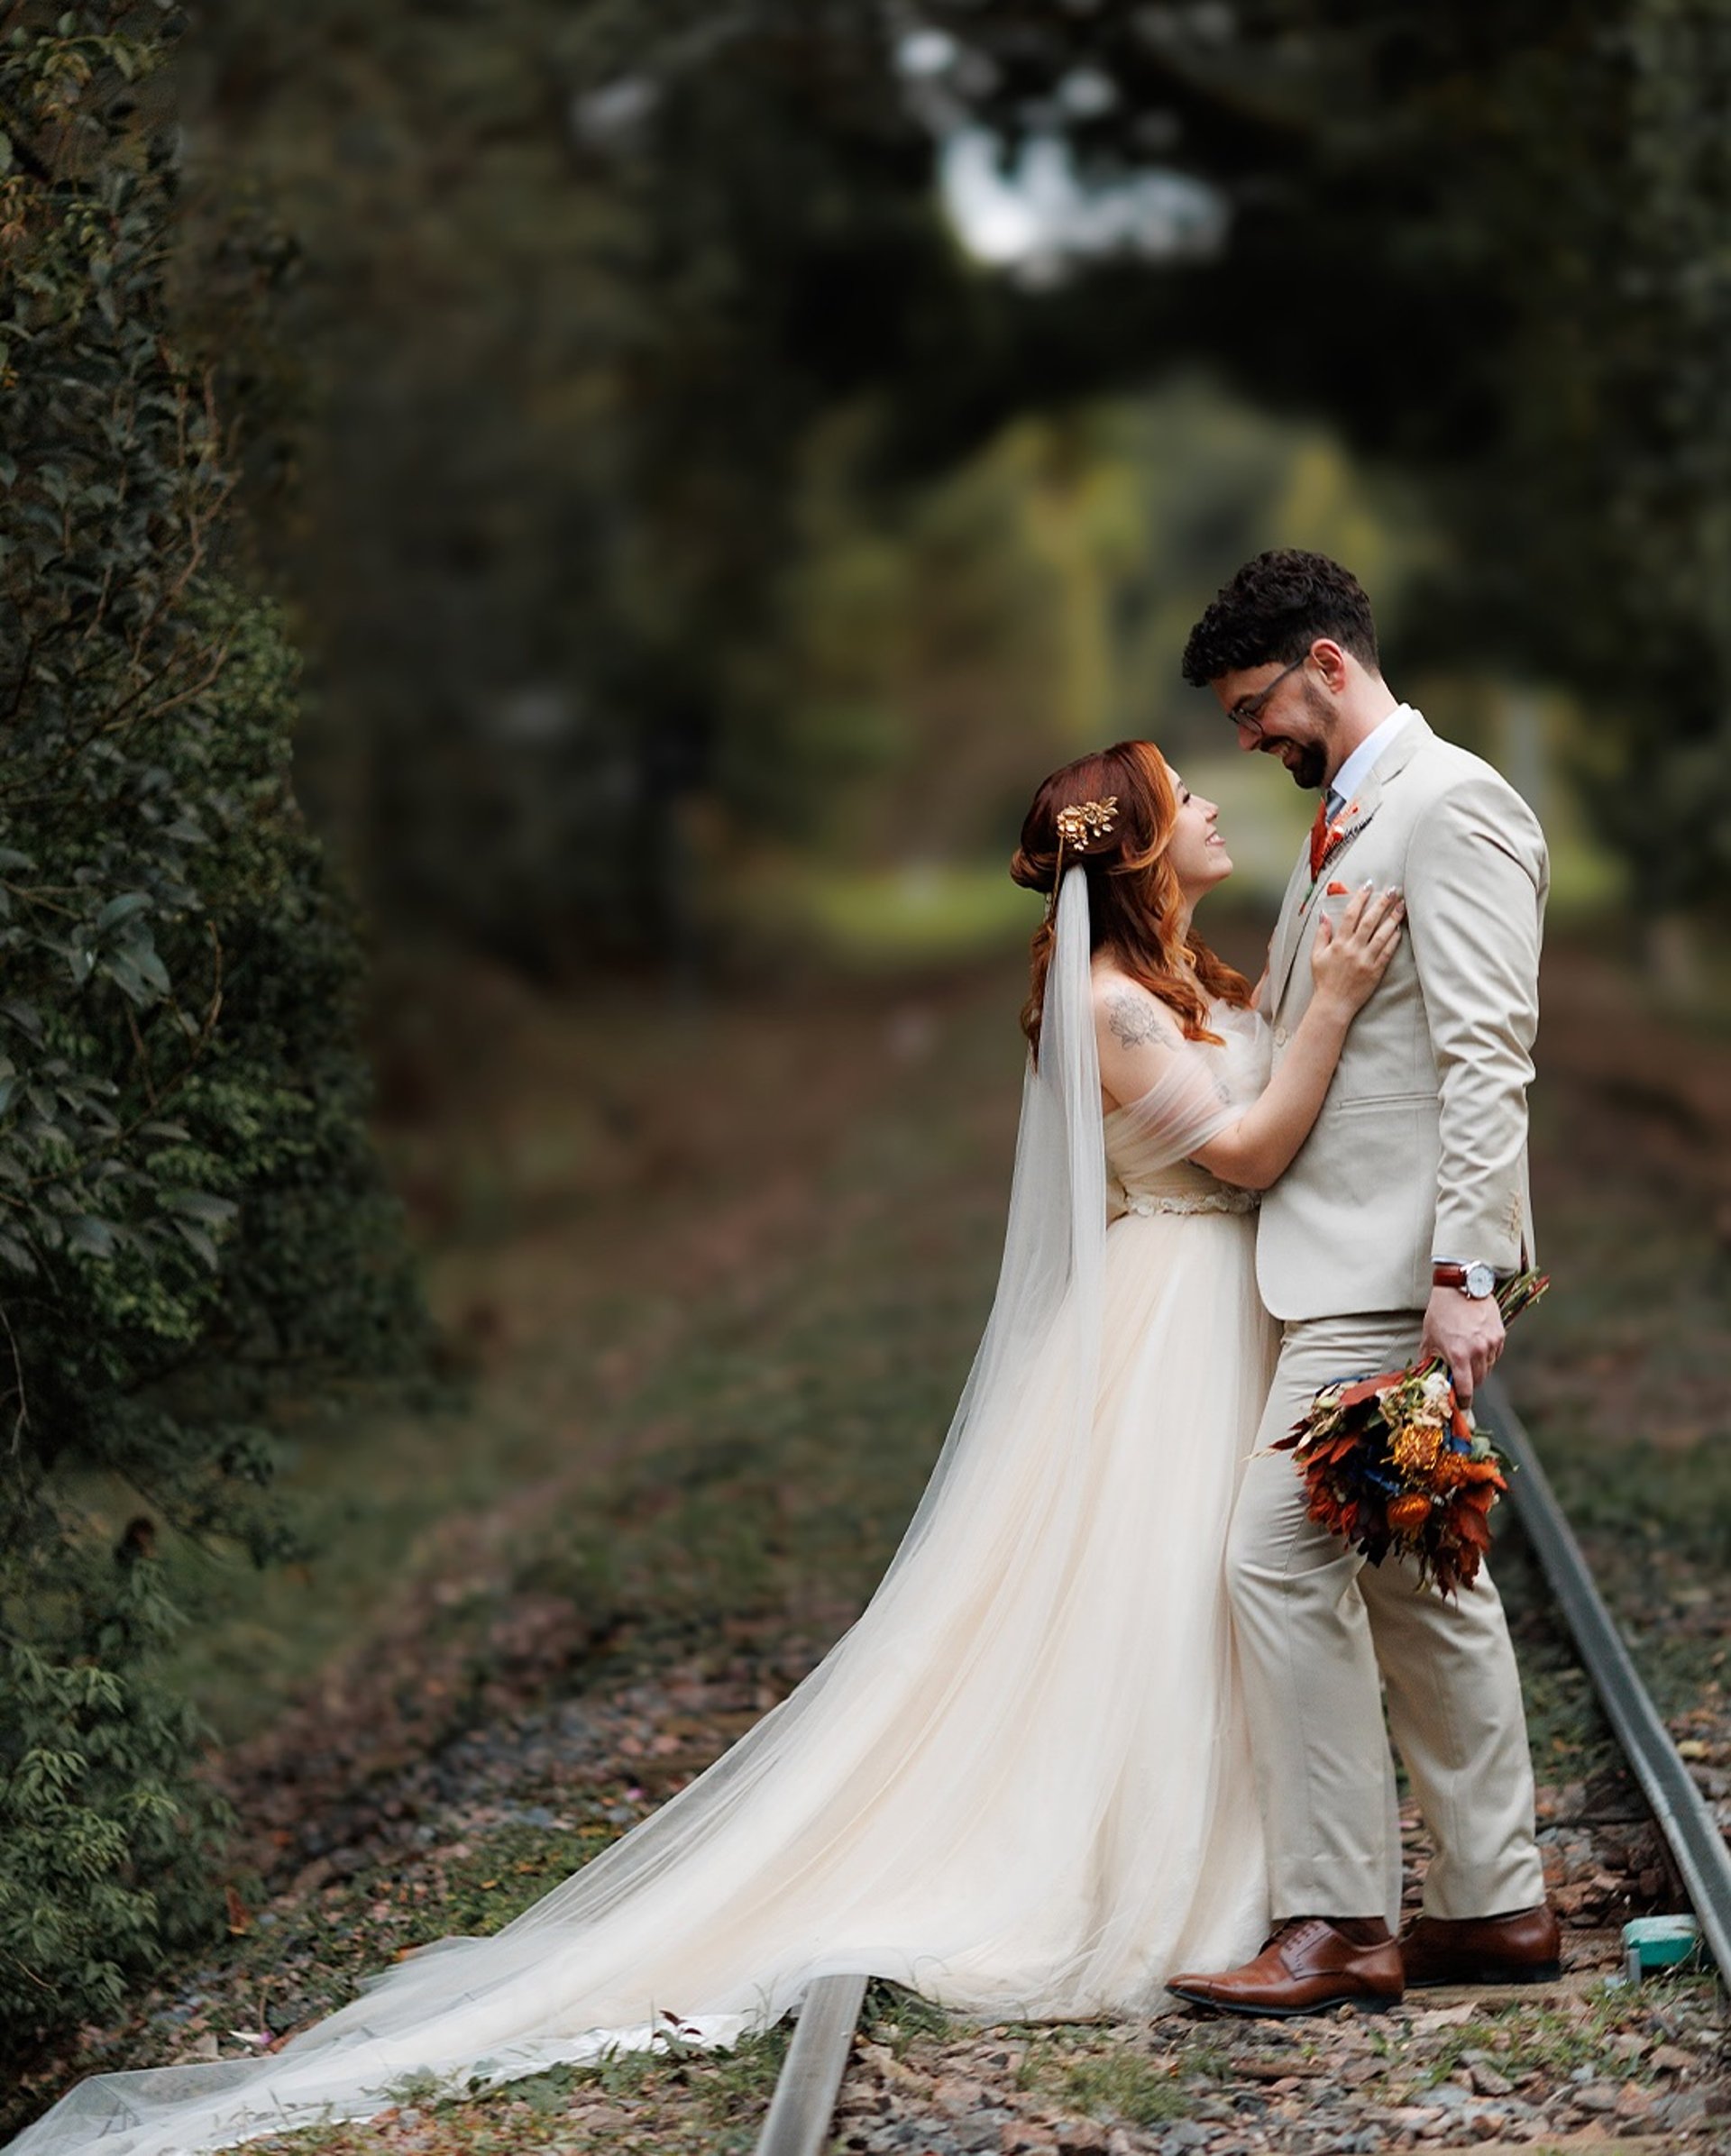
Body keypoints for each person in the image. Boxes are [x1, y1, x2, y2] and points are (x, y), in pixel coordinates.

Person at [5, 742, 1401, 2156]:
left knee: (1235, 1596)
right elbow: (1246, 1158)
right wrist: (1336, 1003)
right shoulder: (1111, 1008)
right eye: (1190, 795)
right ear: (1147, 846)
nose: (1219, 804)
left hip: (1223, 1315)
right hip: (1173, 1320)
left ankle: (1305, 1867)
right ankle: (1208, 1875)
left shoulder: (1178, 981)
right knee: (1171, 1597)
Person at [1167, 549, 1560, 2019]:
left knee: (1274, 1559)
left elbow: (1484, 1059)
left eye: (1258, 705)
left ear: (1329, 663)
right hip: (1362, 1256)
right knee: (1416, 1578)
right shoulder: (1353, 811)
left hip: (1392, 1274)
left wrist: (1464, 1275)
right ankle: (1492, 1907)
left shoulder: (1452, 806)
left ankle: (1337, 1919)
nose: (1250, 737)